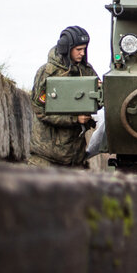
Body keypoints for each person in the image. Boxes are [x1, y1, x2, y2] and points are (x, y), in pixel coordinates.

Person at [29, 26, 98, 168]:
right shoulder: (48, 73)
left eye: (84, 49)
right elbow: (40, 110)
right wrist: (74, 119)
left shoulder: (86, 70)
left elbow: (98, 102)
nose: (82, 53)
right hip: (46, 157)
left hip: (75, 157)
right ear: (67, 48)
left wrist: (99, 90)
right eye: (78, 50)